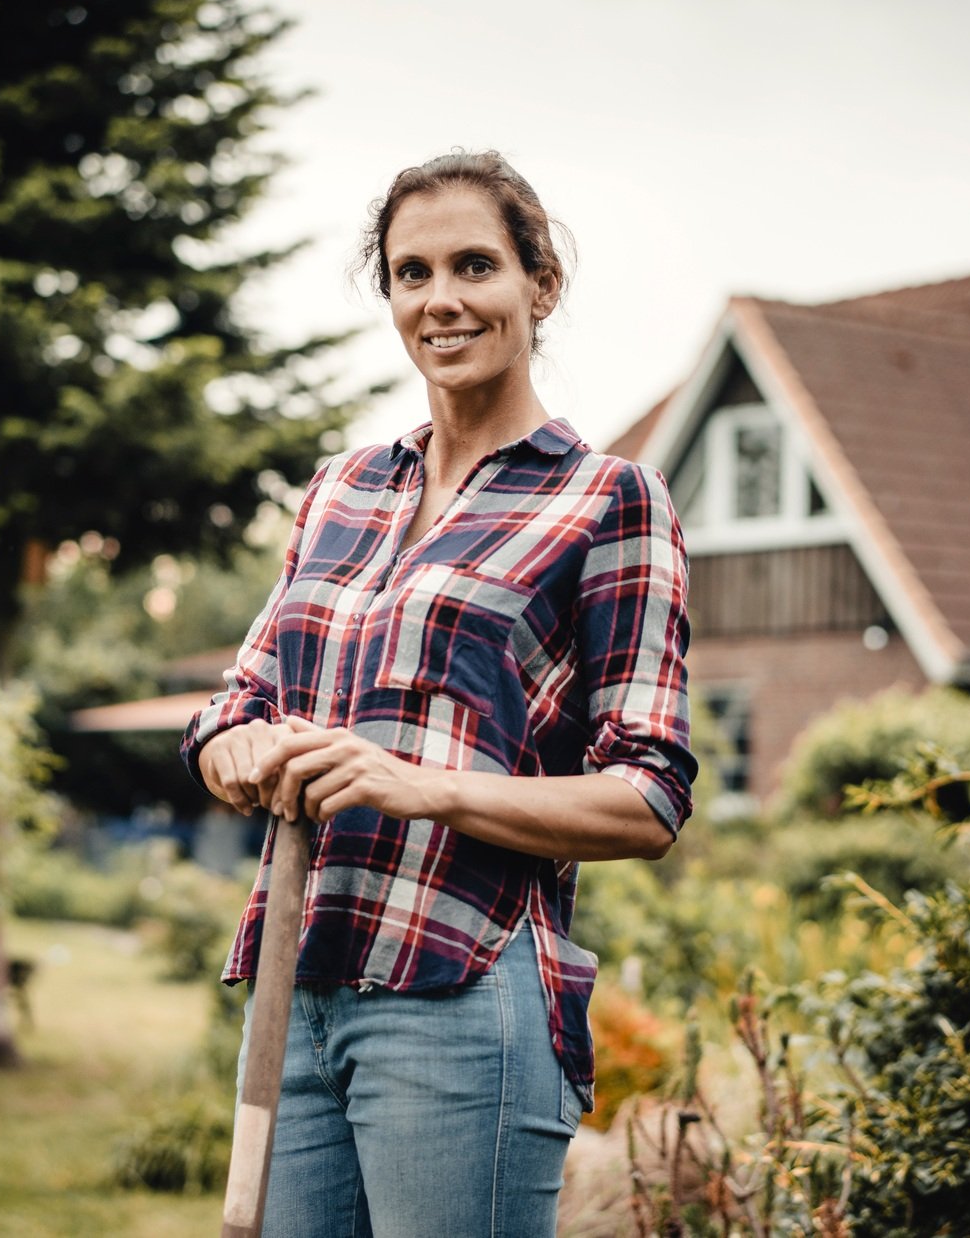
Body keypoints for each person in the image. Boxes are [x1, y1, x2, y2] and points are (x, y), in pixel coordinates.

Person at [181, 149, 697, 1237]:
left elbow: (646, 799)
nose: (442, 299)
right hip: (298, 979)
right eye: (411, 273)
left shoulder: (606, 500)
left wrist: (417, 784)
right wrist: (229, 746)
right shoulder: (342, 489)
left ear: (537, 286)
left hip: (460, 991)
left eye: (474, 265)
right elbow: (236, 700)